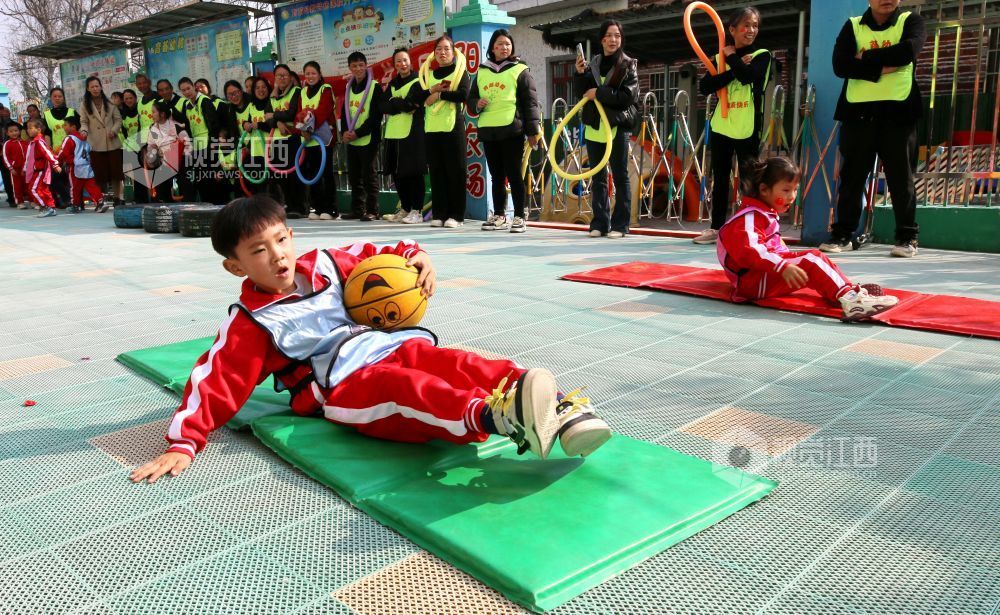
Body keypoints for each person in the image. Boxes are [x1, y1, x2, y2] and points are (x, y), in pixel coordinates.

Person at [128, 195, 611, 483]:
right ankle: (498, 417)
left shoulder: (326, 264)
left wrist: (416, 255)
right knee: (407, 391)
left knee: (457, 362)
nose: (277, 255)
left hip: (392, 344)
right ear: (235, 266)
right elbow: (216, 381)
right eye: (258, 250)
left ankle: (556, 406)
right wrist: (183, 442)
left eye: (281, 240)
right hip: (343, 388)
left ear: (291, 235)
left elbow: (378, 253)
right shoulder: (252, 323)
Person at [718, 157, 899, 321]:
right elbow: (751, 251)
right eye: (786, 190)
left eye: (795, 190)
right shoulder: (748, 218)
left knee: (812, 265)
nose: (792, 196)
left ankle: (845, 293)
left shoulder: (762, 214)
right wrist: (782, 266)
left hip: (761, 276)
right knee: (812, 259)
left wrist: (786, 261)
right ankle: (852, 300)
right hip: (754, 282)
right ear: (764, 190)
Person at [820, 0, 927, 258]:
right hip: (858, 113)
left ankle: (906, 237)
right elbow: (840, 65)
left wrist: (865, 57)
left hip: (899, 113)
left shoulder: (911, 22)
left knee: (902, 178)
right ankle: (843, 234)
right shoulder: (853, 26)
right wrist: (882, 67)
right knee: (852, 177)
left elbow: (907, 53)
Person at [693, 8, 772, 245]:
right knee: (721, 177)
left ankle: (753, 229)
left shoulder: (762, 55)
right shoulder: (719, 57)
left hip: (748, 125)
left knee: (750, 179)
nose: (751, 30)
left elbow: (750, 78)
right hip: (721, 125)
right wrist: (731, 62)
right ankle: (717, 227)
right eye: (746, 25)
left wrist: (733, 60)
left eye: (755, 25)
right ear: (732, 30)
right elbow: (706, 87)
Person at [468, 28, 541, 234]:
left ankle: (519, 215)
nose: (503, 47)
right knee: (496, 175)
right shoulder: (481, 71)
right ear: (492, 47)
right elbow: (471, 100)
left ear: (512, 48)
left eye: (507, 44)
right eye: (499, 44)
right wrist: (477, 104)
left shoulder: (520, 70)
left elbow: (530, 102)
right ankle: (499, 214)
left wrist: (532, 130)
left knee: (514, 174)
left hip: (512, 129)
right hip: (489, 130)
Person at [574, 20, 640, 238]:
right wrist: (579, 74)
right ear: (602, 39)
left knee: (620, 175)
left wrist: (599, 93)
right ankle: (600, 222)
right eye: (609, 36)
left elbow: (627, 97)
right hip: (595, 126)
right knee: (598, 177)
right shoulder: (593, 63)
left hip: (617, 126)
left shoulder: (628, 64)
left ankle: (621, 225)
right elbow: (582, 93)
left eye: (617, 36)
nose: (613, 40)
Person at [410, 35, 470, 228]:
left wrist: (439, 94)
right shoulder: (428, 75)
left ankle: (456, 215)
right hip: (432, 129)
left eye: (446, 49)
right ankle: (439, 213)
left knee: (456, 171)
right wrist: (431, 91)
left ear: (453, 52)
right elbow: (418, 98)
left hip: (453, 127)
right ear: (434, 53)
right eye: (439, 49)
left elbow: (463, 94)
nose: (442, 53)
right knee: (437, 173)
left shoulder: (461, 72)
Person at [273, 61, 338, 220]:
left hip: (324, 139)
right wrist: (301, 129)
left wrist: (307, 128)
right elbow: (298, 115)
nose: (310, 76)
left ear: (319, 74)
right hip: (309, 140)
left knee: (326, 174)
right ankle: (317, 208)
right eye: (307, 73)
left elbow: (323, 111)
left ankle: (330, 209)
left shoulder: (326, 89)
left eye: (313, 73)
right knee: (312, 173)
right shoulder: (303, 92)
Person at [381, 47, 426, 224]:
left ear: (410, 61)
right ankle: (405, 208)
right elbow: (382, 106)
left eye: (405, 60)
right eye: (398, 61)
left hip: (412, 133)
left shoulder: (418, 81)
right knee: (397, 173)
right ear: (394, 65)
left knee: (413, 172)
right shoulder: (392, 84)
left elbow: (412, 104)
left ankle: (417, 210)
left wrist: (395, 102)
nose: (402, 64)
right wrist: (399, 103)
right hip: (393, 132)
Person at [340, 51, 383, 222]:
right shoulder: (349, 87)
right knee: (354, 175)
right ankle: (357, 209)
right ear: (350, 68)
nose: (357, 68)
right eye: (354, 66)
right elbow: (344, 113)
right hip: (352, 139)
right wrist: (344, 131)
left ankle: (373, 210)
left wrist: (357, 133)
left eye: (360, 65)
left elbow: (375, 118)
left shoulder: (375, 87)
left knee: (369, 175)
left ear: (366, 66)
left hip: (368, 138)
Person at [79, 76, 124, 208]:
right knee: (99, 174)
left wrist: (114, 130)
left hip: (112, 143)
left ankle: (118, 198)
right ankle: (100, 199)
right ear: (88, 89)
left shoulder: (110, 103)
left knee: (117, 173)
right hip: (96, 144)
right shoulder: (84, 105)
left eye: (97, 86)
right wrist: (84, 131)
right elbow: (84, 122)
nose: (95, 89)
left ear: (101, 87)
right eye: (92, 86)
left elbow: (118, 120)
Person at [265, 64, 303, 213]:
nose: (282, 78)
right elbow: (266, 118)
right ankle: (285, 204)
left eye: (285, 75)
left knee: (293, 175)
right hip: (276, 140)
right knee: (279, 176)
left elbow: (292, 113)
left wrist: (274, 116)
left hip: (292, 138)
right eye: (278, 75)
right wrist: (278, 121)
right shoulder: (272, 96)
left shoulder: (296, 91)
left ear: (290, 77)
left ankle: (298, 207)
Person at [179, 77, 222, 203]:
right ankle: (205, 207)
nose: (187, 92)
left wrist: (213, 145)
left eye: (188, 88)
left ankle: (214, 206)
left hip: (208, 146)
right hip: (196, 147)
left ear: (194, 87)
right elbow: (187, 127)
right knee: (200, 180)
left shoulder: (205, 101)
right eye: (183, 90)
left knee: (210, 179)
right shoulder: (187, 105)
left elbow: (214, 125)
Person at [145, 101, 191, 203]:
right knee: (161, 189)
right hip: (163, 164)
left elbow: (188, 145)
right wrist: (151, 156)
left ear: (162, 114)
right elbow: (151, 146)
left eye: (153, 112)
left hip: (180, 164)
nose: (151, 115)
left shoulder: (177, 127)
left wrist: (180, 156)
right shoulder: (152, 128)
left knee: (185, 187)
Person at [58, 115, 104, 213]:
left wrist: (57, 162)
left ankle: (75, 205)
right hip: (87, 165)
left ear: (73, 127)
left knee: (75, 187)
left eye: (65, 125)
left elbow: (63, 153)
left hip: (75, 167)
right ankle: (100, 201)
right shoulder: (83, 138)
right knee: (91, 185)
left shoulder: (69, 138)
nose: (64, 127)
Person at [42, 87, 75, 208]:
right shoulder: (47, 115)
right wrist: (48, 151)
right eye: (54, 96)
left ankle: (77, 200)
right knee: (55, 178)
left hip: (72, 150)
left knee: (73, 177)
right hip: (56, 152)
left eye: (60, 96)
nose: (57, 98)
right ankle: (67, 200)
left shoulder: (72, 112)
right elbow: (47, 134)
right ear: (51, 98)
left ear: (63, 97)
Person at [24, 118, 61, 217]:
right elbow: (29, 157)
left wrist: (55, 164)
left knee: (33, 189)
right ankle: (51, 208)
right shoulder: (33, 142)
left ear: (39, 129)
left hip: (40, 170)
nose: (28, 130)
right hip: (36, 170)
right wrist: (25, 168)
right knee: (44, 190)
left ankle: (45, 207)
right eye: (28, 128)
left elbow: (47, 153)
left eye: (31, 128)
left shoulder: (39, 141)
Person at [133, 74, 159, 203]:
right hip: (143, 142)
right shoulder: (139, 103)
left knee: (157, 174)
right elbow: (140, 124)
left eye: (144, 83)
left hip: (156, 141)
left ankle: (158, 201)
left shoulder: (157, 98)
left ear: (149, 82)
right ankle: (140, 202)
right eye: (139, 84)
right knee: (141, 174)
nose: (142, 86)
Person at [2, 122, 29, 208]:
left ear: (20, 131)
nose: (14, 133)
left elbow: (29, 156)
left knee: (28, 185)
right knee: (17, 186)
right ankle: (20, 202)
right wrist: (10, 168)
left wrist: (27, 167)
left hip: (26, 169)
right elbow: (5, 157)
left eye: (16, 131)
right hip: (15, 169)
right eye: (11, 131)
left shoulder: (25, 142)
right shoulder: (7, 144)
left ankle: (33, 201)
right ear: (7, 133)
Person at [0, 105, 16, 206]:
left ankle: (12, 198)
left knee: (7, 176)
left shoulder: (9, 123)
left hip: (6, 153)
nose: (2, 113)